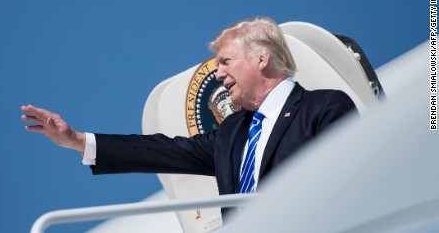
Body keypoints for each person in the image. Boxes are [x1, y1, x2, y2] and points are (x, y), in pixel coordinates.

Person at [21, 17, 356, 199]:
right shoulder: (232, 134)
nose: (219, 74)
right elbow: (159, 150)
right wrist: (78, 140)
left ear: (261, 58)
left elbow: (349, 182)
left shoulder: (324, 108)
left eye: (226, 61)